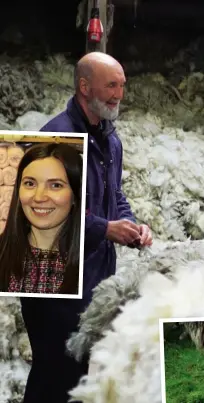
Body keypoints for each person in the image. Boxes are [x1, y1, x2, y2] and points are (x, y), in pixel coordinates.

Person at [19, 51, 153, 403]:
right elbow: (42, 210)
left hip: (94, 280)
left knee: (81, 374)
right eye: (111, 85)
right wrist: (104, 229)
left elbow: (115, 195)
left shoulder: (111, 140)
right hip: (54, 284)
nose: (119, 94)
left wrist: (132, 226)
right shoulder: (55, 139)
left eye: (122, 85)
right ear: (84, 86)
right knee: (53, 374)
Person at [0, 143, 82, 294]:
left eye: (56, 185)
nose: (39, 197)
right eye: (30, 183)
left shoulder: (91, 263)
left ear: (75, 196)